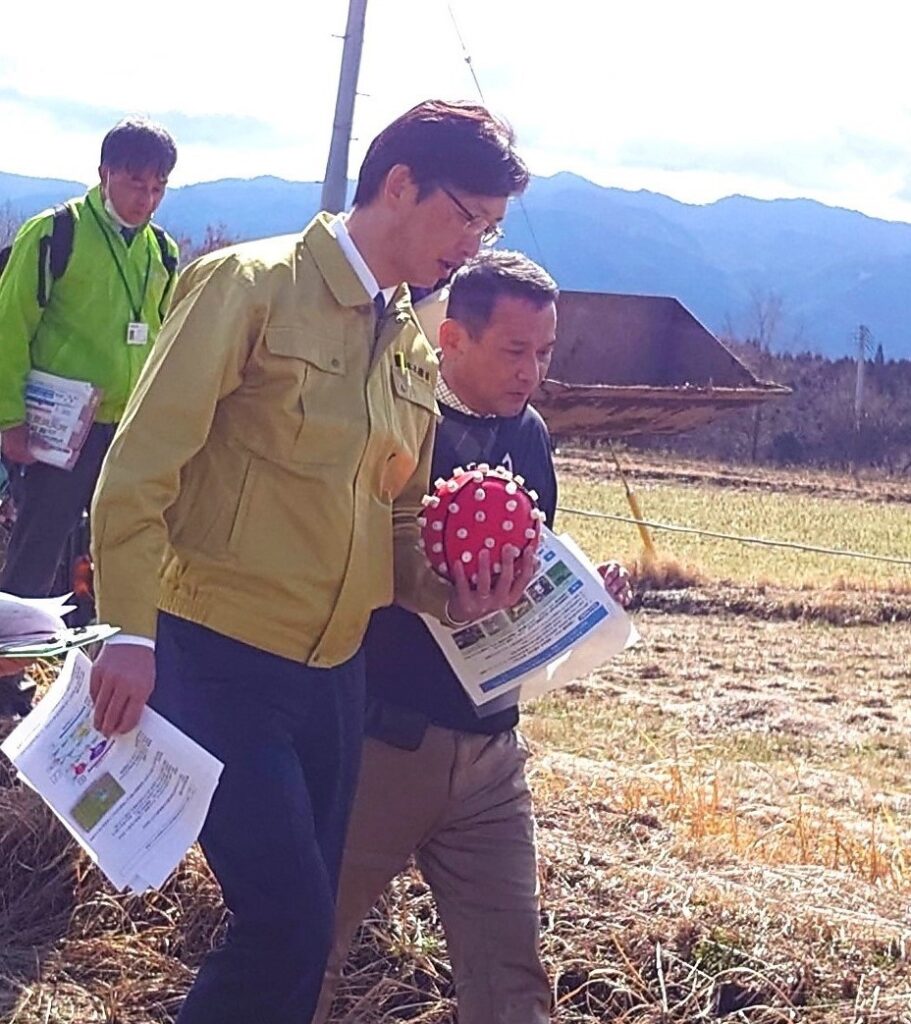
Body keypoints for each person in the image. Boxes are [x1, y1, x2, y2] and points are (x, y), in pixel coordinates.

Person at [87, 100, 535, 1024]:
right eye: (464, 216)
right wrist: (129, 631)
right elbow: (137, 471)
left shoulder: (408, 344)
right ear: (399, 183)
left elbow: (396, 522)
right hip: (219, 654)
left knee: (304, 932)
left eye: (488, 227)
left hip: (337, 679)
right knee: (286, 927)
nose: (472, 243)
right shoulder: (247, 286)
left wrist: (458, 592)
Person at [315, 250, 632, 1024]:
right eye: (513, 351)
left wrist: (583, 588)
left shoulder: (528, 434)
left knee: (512, 981)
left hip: (492, 751)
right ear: (452, 339)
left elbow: (529, 557)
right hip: (384, 747)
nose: (531, 372)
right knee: (301, 952)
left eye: (545, 353)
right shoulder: (398, 425)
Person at [0, 116, 178, 714]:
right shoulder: (55, 234)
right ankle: (9, 684)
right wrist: (7, 420)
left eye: (158, 187)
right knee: (36, 551)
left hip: (127, 430)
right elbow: (9, 328)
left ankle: (84, 670)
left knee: (120, 549)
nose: (146, 199)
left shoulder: (164, 252)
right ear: (104, 174)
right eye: (135, 183)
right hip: (55, 430)